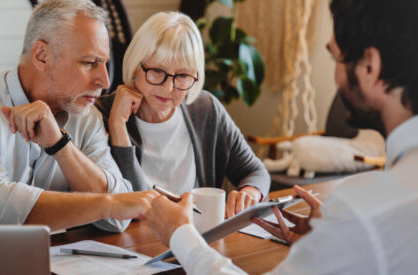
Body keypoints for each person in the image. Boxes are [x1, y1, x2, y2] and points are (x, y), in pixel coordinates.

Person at [146, 0, 418, 273]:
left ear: (370, 66)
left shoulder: (363, 210)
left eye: (336, 58)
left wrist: (181, 235)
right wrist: (327, 246)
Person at [0, 0, 158, 232]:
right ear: (42, 55)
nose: (104, 81)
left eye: (104, 63)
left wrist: (60, 146)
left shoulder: (87, 117)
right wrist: (107, 204)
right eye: (89, 62)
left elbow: (118, 220)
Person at [95, 12, 270, 218]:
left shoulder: (205, 108)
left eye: (183, 75)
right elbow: (128, 204)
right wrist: (117, 126)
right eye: (157, 71)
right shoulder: (102, 114)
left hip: (196, 237)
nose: (168, 87)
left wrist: (250, 192)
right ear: (135, 66)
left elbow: (255, 172)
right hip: (132, 242)